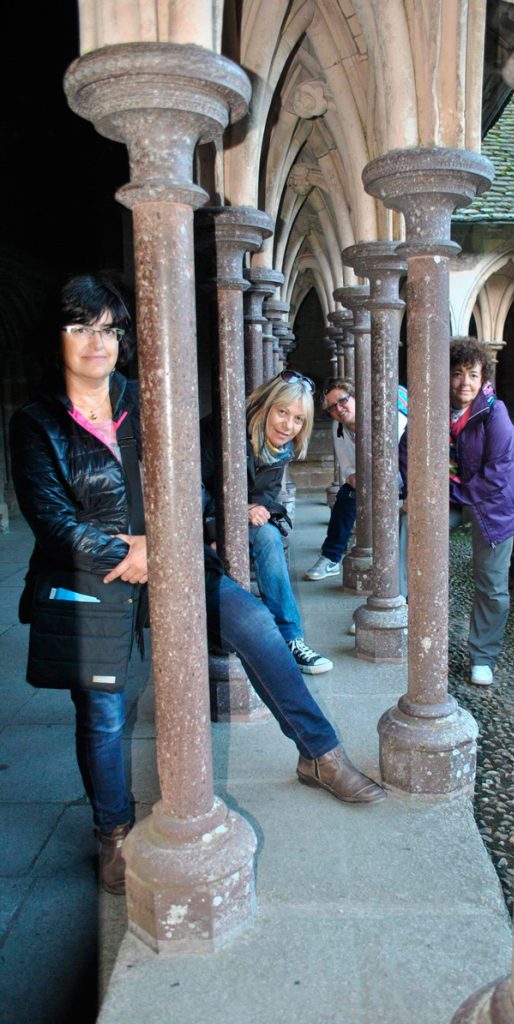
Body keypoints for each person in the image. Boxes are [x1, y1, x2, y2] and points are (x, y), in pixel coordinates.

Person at [10, 276, 386, 896]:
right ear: (56, 338)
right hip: (90, 577)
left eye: (108, 330)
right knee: (101, 711)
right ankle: (112, 831)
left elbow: (192, 481)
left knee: (256, 624)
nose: (97, 343)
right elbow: (51, 520)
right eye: (80, 328)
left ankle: (320, 753)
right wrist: (129, 552)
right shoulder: (36, 424)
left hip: (175, 557)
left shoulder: (147, 401)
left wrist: (164, 545)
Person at [399, 337, 514, 687]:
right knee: (411, 519)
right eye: (457, 374)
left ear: (483, 378)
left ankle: (483, 656)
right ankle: (396, 605)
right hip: (454, 496)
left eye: (472, 374)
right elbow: (407, 450)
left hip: (494, 505)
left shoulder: (495, 414)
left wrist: (445, 491)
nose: (464, 383)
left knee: (492, 583)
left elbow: (496, 476)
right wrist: (417, 493)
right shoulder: (432, 408)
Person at [201, 372, 333, 673]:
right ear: (265, 405)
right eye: (282, 412)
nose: (288, 426)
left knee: (269, 535)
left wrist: (253, 509)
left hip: (232, 519)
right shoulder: (222, 431)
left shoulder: (279, 449)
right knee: (267, 537)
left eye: (298, 419)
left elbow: (267, 496)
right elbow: (190, 489)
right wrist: (228, 519)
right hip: (197, 520)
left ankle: (290, 639)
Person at [304, 377, 407, 580]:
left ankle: (395, 564)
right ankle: (330, 558)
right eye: (332, 407)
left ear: (356, 397)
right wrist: (354, 478)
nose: (339, 409)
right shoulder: (338, 427)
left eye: (342, 400)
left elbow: (402, 460)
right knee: (345, 496)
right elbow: (348, 467)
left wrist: (371, 479)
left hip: (402, 481)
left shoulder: (388, 417)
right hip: (368, 480)